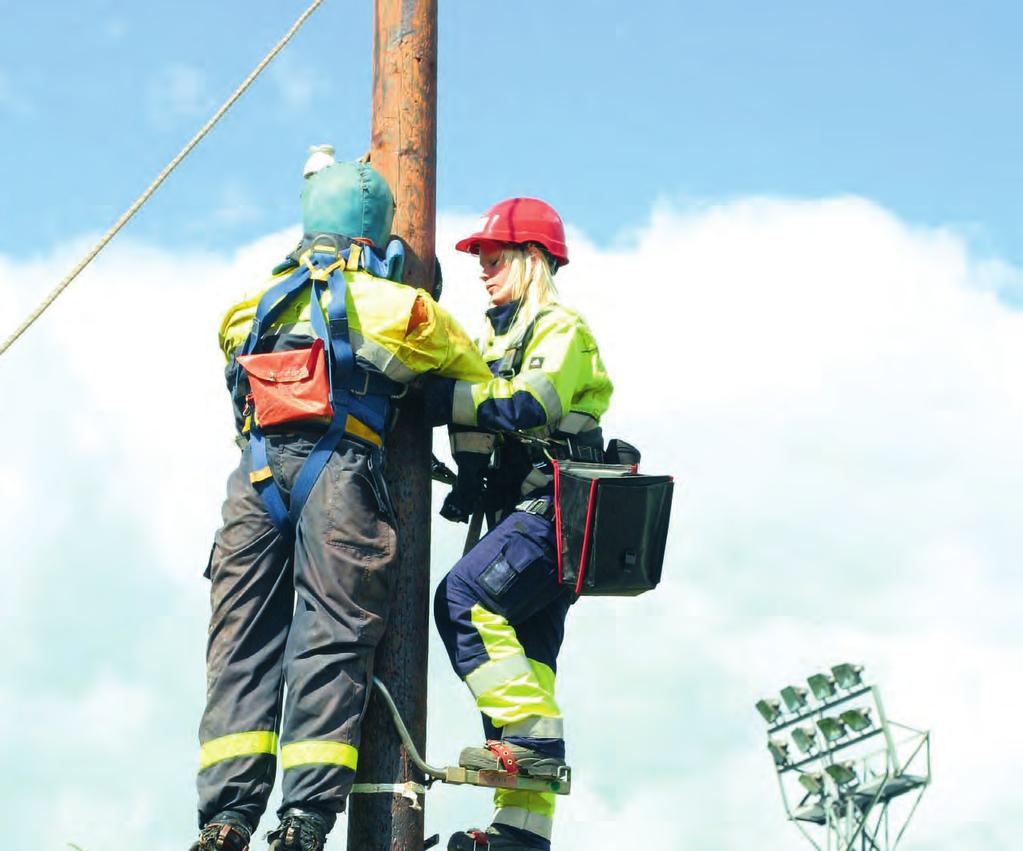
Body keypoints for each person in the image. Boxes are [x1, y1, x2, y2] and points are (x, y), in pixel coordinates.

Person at [191, 153, 492, 851]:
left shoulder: (245, 310)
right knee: (331, 634)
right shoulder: (403, 309)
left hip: (254, 481)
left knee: (239, 643)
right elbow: (471, 380)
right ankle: (304, 819)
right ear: (378, 238)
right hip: (339, 476)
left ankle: (224, 819)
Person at [423, 198, 614, 851]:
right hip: (532, 511)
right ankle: (521, 832)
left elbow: (532, 401)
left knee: (464, 599)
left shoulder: (562, 329)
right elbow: (479, 409)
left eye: (493, 256)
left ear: (532, 259)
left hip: (557, 508)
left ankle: (528, 747)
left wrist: (441, 398)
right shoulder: (497, 334)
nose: (482, 269)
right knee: (524, 662)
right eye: (479, 258)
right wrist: (469, 476)